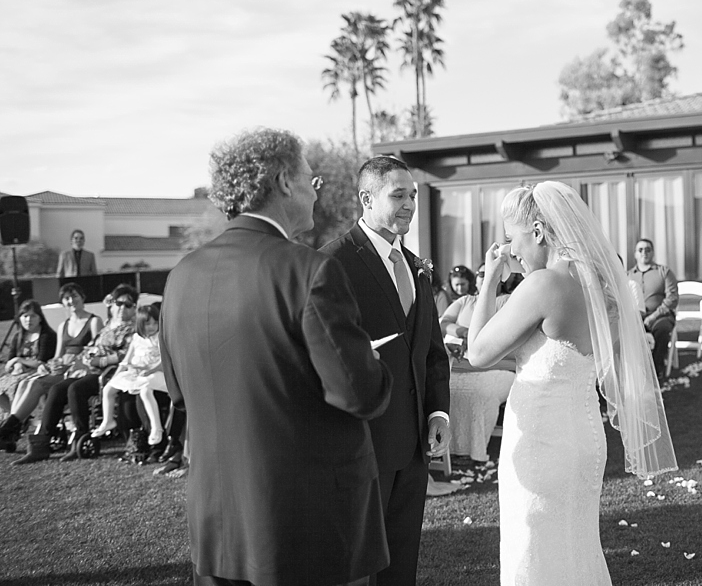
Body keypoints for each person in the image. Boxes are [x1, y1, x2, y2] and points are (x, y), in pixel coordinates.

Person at [160, 127, 393, 586]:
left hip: (217, 526)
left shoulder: (181, 276)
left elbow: (179, 392)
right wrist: (368, 359)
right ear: (285, 181)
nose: (315, 189)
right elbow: (360, 394)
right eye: (311, 177)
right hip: (307, 528)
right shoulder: (308, 270)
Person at [465, 181, 678, 585]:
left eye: (514, 238)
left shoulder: (543, 285)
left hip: (542, 444)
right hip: (585, 440)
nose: (510, 250)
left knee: (534, 548)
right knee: (576, 547)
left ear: (540, 232)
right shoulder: (603, 287)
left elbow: (477, 353)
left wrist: (489, 281)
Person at [321, 155, 451, 586]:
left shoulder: (417, 267)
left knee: (401, 566)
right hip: (361, 447)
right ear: (366, 198)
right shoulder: (332, 263)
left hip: (413, 446)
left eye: (412, 195)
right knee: (357, 570)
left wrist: (438, 413)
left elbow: (431, 352)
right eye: (398, 195)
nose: (410, 204)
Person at [14, 283, 137, 465]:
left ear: (135, 308)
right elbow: (90, 347)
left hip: (111, 374)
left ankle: (79, 436)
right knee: (57, 389)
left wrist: (100, 360)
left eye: (128, 305)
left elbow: (126, 354)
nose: (122, 308)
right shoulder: (109, 325)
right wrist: (85, 358)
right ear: (112, 305)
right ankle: (42, 443)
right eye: (119, 303)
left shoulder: (134, 327)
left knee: (75, 389)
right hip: (89, 369)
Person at [0, 283, 103, 447]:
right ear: (63, 302)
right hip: (63, 369)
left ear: (83, 297)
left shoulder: (94, 322)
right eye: (67, 298)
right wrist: (50, 365)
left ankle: (8, 430)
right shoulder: (64, 325)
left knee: (37, 383)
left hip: (81, 370)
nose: (71, 301)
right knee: (27, 382)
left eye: (74, 296)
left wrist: (72, 363)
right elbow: (57, 356)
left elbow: (97, 351)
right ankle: (11, 429)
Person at [440, 263, 515, 463]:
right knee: (444, 388)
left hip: (498, 365)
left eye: (491, 273)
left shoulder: (508, 301)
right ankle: (446, 449)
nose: (485, 277)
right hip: (460, 363)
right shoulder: (465, 301)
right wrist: (463, 332)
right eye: (481, 273)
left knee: (477, 394)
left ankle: (470, 451)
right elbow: (444, 322)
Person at [92, 303, 165, 444]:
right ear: (140, 323)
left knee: (145, 391)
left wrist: (149, 370)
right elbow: (125, 362)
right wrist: (115, 377)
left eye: (155, 323)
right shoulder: (136, 339)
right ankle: (108, 421)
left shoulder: (159, 338)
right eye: (148, 323)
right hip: (137, 372)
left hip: (155, 373)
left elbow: (163, 361)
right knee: (108, 389)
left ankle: (157, 427)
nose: (152, 327)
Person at [627, 237, 678, 380]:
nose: (644, 252)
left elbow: (672, 299)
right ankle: (632, 374)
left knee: (661, 329)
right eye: (640, 250)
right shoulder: (628, 275)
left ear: (653, 253)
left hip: (661, 316)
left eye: (648, 249)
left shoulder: (664, 272)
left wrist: (653, 317)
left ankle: (655, 373)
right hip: (635, 317)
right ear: (635, 254)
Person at [0, 300, 57, 420]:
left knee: (21, 384)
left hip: (39, 372)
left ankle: (17, 418)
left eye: (33, 316)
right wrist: (16, 365)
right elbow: (8, 364)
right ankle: (15, 416)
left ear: (40, 318)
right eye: (25, 316)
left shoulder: (47, 335)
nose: (28, 320)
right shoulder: (18, 336)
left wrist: (19, 360)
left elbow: (42, 361)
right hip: (19, 372)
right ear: (20, 318)